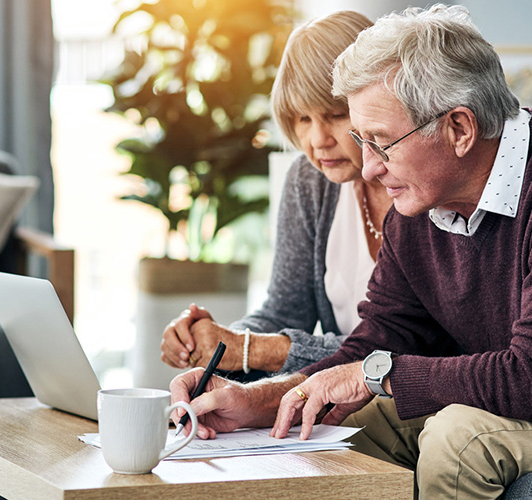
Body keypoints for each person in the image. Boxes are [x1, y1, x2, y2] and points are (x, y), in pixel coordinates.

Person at [168, 4, 532, 499]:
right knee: (339, 429)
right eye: (362, 141)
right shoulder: (422, 199)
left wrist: (374, 375)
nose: (369, 168)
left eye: (381, 143)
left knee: (459, 438)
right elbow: (376, 343)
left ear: (457, 128)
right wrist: (257, 400)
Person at [159, 11, 392, 377]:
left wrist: (248, 350)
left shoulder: (422, 182)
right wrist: (216, 347)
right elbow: (285, 311)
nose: (318, 141)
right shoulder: (310, 180)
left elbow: (406, 348)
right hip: (332, 402)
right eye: (302, 119)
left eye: (335, 114)